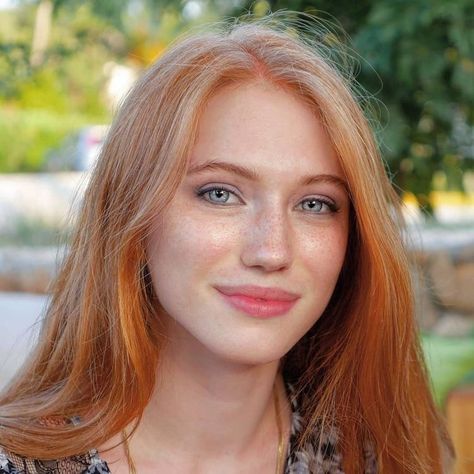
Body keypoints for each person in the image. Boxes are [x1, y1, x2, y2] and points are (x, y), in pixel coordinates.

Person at [0, 13, 452, 474]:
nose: (272, 251)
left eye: (315, 204)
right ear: (132, 213)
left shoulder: (377, 457)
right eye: (220, 193)